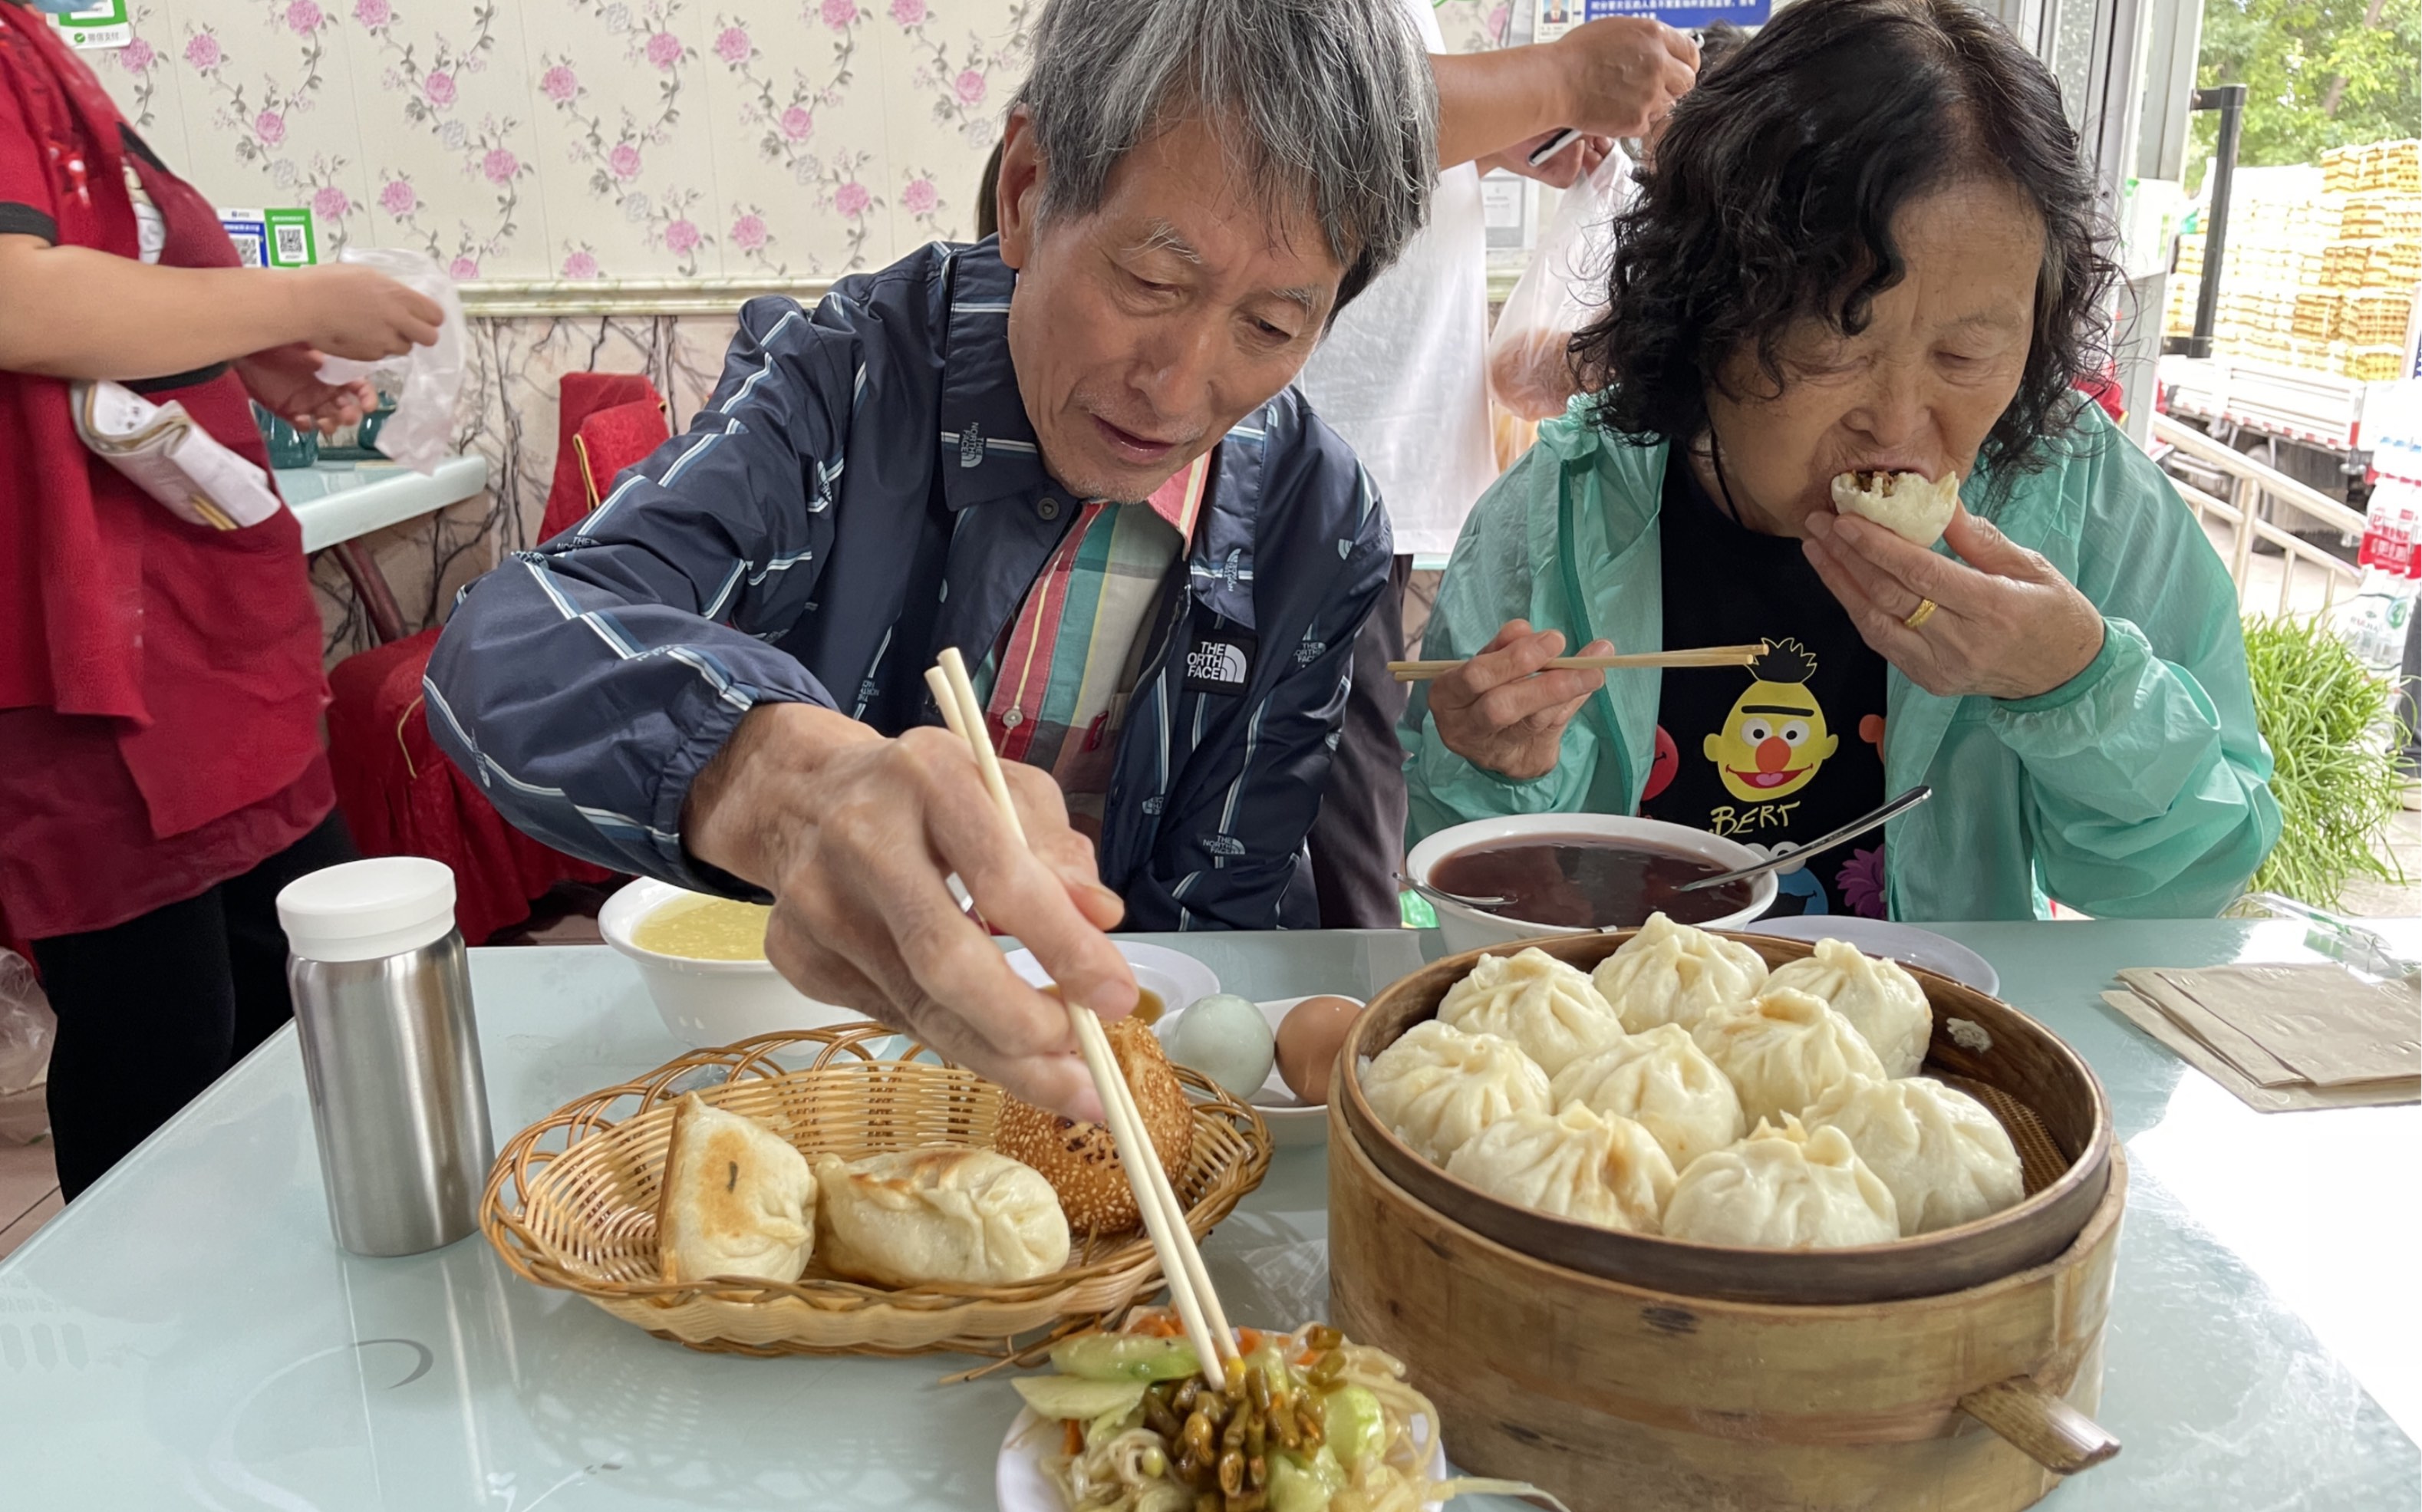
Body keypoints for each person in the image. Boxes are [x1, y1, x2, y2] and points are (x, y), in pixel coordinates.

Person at [427, 0, 1435, 1117]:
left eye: (1269, 326)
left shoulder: (1314, 522)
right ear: (1027, 189)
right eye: (1151, 282)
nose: (1180, 382)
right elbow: (510, 639)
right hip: (797, 1062)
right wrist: (783, 780)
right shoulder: (851, 382)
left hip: (1089, 1101)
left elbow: (1219, 925)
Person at [1402, 0, 2279, 922]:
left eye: (1965, 356)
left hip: (1936, 1044)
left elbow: (2189, 883)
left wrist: (2075, 684)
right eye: (1833, 346)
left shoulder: (2078, 495)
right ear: (1705, 311)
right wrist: (1492, 764)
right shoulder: (1560, 520)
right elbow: (1482, 915)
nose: (1896, 423)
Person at [0, 0, 444, 1197]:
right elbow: (15, 301)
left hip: (200, 641)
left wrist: (241, 354)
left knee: (306, 989)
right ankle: (165, 1350)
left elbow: (104, 291)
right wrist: (297, 302)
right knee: (169, 1048)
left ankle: (306, 1304)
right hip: (95, 656)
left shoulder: (40, 61)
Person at [1297, 8, 1700, 928]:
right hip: (1319, 452)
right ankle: (1363, 1012)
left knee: (1355, 783)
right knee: (1349, 804)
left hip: (1373, 453)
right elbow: (1284, 110)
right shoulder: (1557, 492)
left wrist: (1490, 139)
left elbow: (1350, 129)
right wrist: (1554, 79)